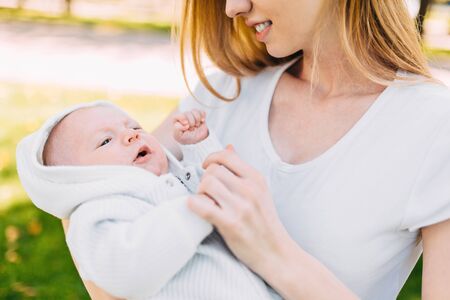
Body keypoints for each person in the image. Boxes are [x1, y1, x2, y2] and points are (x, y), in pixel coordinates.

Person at [61, 0, 450, 299]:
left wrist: (272, 252)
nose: (232, 8)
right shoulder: (221, 96)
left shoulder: (434, 126)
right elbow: (79, 192)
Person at [16, 101, 280, 300]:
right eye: (106, 141)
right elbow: (127, 272)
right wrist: (196, 209)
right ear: (76, 177)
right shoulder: (96, 215)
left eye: (134, 127)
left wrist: (200, 147)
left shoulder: (172, 181)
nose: (131, 135)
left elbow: (225, 190)